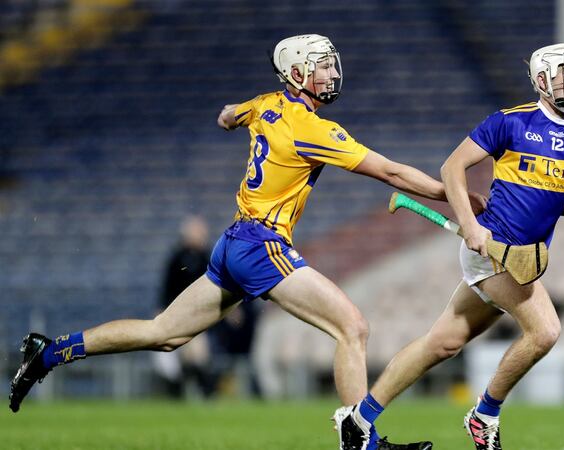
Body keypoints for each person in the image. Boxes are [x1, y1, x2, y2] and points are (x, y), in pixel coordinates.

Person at [9, 33, 486, 450]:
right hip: (262, 243)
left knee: (164, 333)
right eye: (322, 65)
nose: (332, 72)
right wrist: (457, 197)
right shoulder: (312, 128)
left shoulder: (266, 103)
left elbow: (229, 114)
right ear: (297, 74)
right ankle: (361, 442)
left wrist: (234, 117)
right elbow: (390, 171)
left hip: (232, 242)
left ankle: (49, 352)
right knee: (352, 328)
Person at [338, 43, 564, 450]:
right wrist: (471, 226)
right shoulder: (509, 123)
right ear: (542, 80)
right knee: (545, 331)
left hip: (520, 259)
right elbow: (452, 167)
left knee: (442, 343)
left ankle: (359, 420)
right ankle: (484, 415)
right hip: (492, 251)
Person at [152, 215, 217, 398]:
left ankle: (203, 392)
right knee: (185, 354)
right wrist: (161, 310)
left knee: (197, 353)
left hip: (202, 314)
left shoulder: (209, 257)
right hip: (178, 313)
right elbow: (167, 288)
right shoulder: (178, 258)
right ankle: (188, 392)